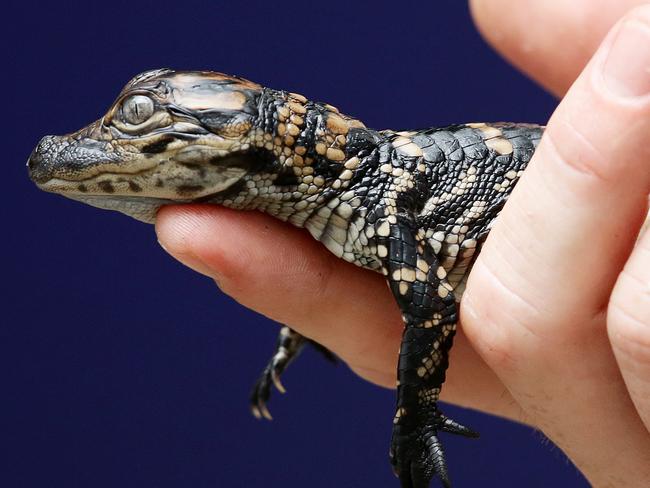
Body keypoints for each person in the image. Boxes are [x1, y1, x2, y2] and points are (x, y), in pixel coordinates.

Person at [155, 1, 650, 485]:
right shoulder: (354, 200)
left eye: (141, 115)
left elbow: (431, 308)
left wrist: (414, 416)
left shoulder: (379, 198)